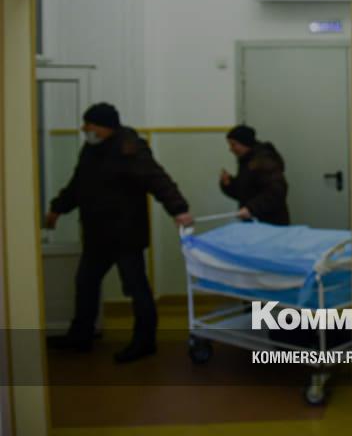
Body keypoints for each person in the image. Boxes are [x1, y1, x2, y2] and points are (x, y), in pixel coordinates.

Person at [45, 103, 193, 363]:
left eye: (89, 124)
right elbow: (78, 184)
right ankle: (80, 336)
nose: (84, 129)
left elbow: (157, 179)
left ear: (104, 127)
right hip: (97, 233)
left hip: (126, 234)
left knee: (136, 288)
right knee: (86, 283)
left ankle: (144, 341)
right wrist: (58, 209)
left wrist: (178, 210)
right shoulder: (91, 149)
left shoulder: (130, 148)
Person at [220, 125, 290, 225]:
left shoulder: (264, 160)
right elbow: (245, 193)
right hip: (255, 222)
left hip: (271, 223)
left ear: (245, 142)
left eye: (233, 144)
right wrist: (229, 184)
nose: (230, 149)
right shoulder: (246, 160)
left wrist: (251, 208)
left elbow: (277, 191)